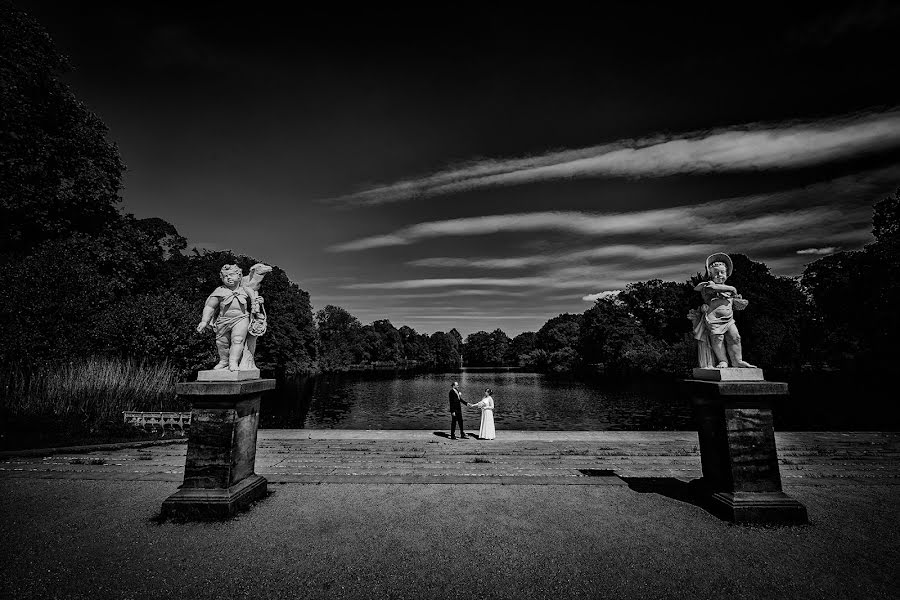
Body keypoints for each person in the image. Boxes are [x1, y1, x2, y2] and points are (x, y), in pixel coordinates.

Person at [196, 263, 270, 371]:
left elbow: (254, 302)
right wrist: (204, 321)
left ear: (239, 276)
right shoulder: (219, 291)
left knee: (238, 340)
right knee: (221, 343)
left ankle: (233, 362)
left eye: (231, 275)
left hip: (241, 318)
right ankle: (224, 361)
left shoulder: (245, 290)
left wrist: (259, 301)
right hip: (223, 320)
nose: (228, 278)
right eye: (225, 276)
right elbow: (210, 307)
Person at [690, 253, 756, 369]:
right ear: (710, 274)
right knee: (717, 339)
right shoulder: (708, 286)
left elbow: (732, 303)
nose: (719, 275)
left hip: (729, 318)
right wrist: (732, 288)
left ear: (727, 273)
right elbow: (713, 288)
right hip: (713, 319)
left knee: (735, 337)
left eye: (722, 272)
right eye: (716, 273)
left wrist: (737, 302)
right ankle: (723, 361)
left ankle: (737, 361)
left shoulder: (727, 291)